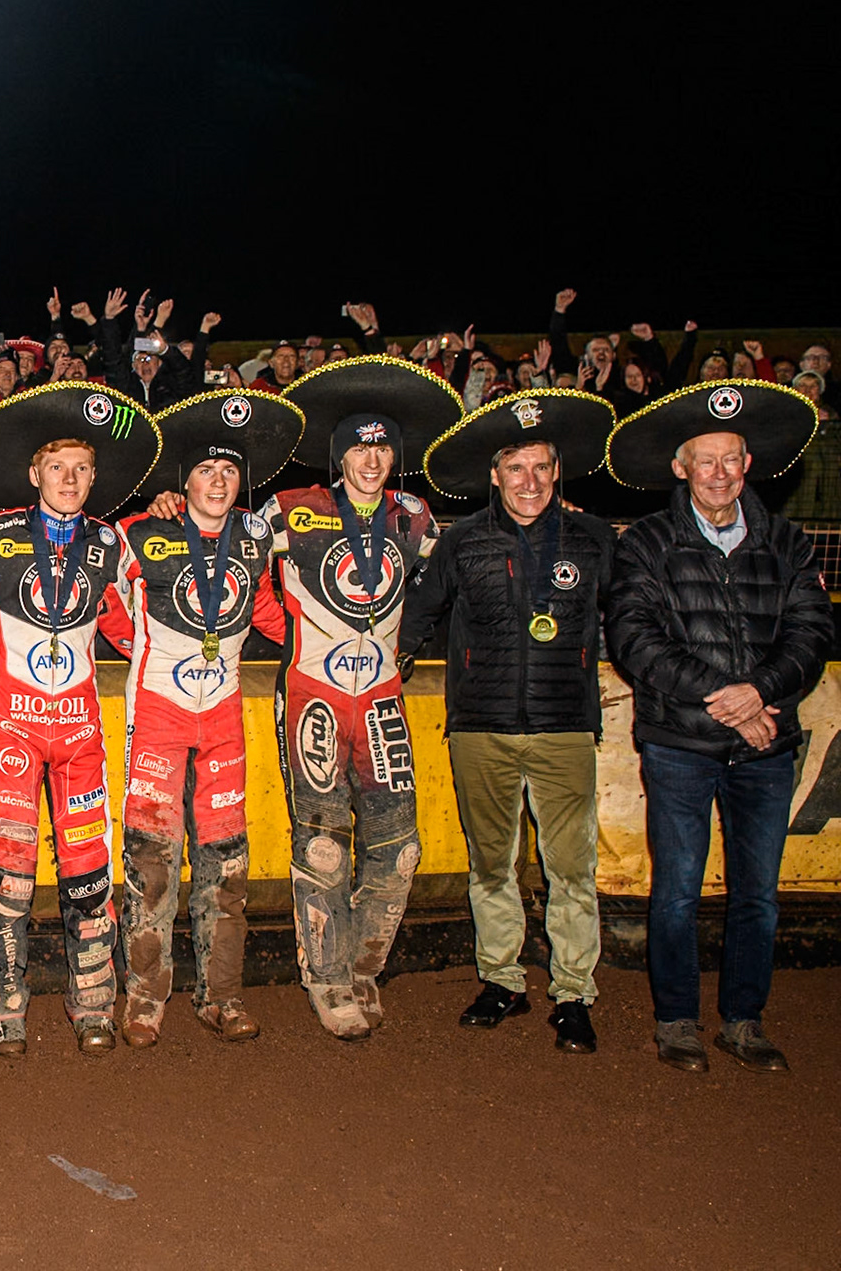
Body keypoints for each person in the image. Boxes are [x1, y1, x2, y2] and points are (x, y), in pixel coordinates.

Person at [604, 379, 831, 1074]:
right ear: (681, 467)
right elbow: (634, 639)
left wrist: (758, 693)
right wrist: (727, 698)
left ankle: (743, 1019)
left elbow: (812, 633)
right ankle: (677, 1020)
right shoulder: (646, 542)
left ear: (748, 465)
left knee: (757, 895)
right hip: (680, 745)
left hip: (765, 745)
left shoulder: (786, 542)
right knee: (675, 890)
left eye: (732, 458)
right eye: (706, 459)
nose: (720, 473)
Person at [401, 390, 620, 1053]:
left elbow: (633, 613)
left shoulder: (592, 538)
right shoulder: (463, 541)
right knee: (493, 865)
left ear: (558, 474)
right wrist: (393, 662)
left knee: (570, 869)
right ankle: (503, 982)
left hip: (564, 730)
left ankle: (574, 994)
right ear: (494, 476)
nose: (530, 482)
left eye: (542, 468)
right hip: (481, 729)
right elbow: (421, 613)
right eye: (516, 469)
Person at [0, 382, 162, 1056]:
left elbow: (142, 632)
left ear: (95, 477)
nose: (69, 479)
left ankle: (94, 1001)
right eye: (56, 466)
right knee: (9, 871)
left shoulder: (112, 543)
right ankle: (4, 1007)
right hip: (13, 727)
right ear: (33, 473)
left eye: (81, 468)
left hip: (80, 732)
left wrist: (170, 514)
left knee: (88, 871)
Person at [259, 356, 457, 1040]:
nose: (371, 459)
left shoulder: (414, 514)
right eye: (359, 447)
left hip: (381, 697)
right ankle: (326, 975)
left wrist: (408, 645)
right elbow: (228, 553)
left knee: (399, 849)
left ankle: (364, 965)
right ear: (339, 454)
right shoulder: (294, 508)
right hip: (312, 692)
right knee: (322, 849)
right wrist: (283, 629)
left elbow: (446, 581)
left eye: (382, 448)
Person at [106, 389, 301, 1046]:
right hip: (158, 718)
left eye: (228, 473)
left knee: (226, 869)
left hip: (221, 725)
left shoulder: (254, 535)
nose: (218, 482)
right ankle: (143, 1003)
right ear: (182, 483)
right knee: (151, 869)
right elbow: (107, 604)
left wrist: (326, 641)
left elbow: (273, 612)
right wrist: (150, 652)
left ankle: (221, 997)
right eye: (204, 473)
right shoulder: (143, 530)